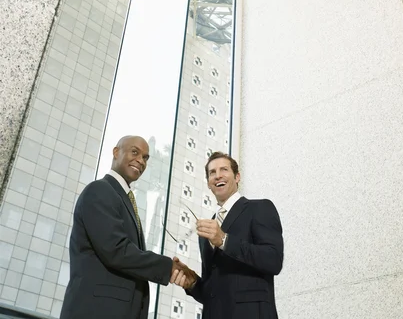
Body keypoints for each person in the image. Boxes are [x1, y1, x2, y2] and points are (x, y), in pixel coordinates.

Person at [60, 135, 195, 319]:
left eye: (146, 158)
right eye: (135, 152)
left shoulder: (125, 200)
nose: (140, 160)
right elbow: (116, 250)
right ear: (116, 152)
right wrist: (168, 267)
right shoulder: (99, 190)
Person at [172, 151, 284, 319]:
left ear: (237, 177)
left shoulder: (259, 208)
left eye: (224, 170)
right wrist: (193, 283)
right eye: (212, 173)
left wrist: (224, 240)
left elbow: (273, 261)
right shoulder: (206, 232)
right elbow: (213, 293)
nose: (218, 176)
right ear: (209, 183)